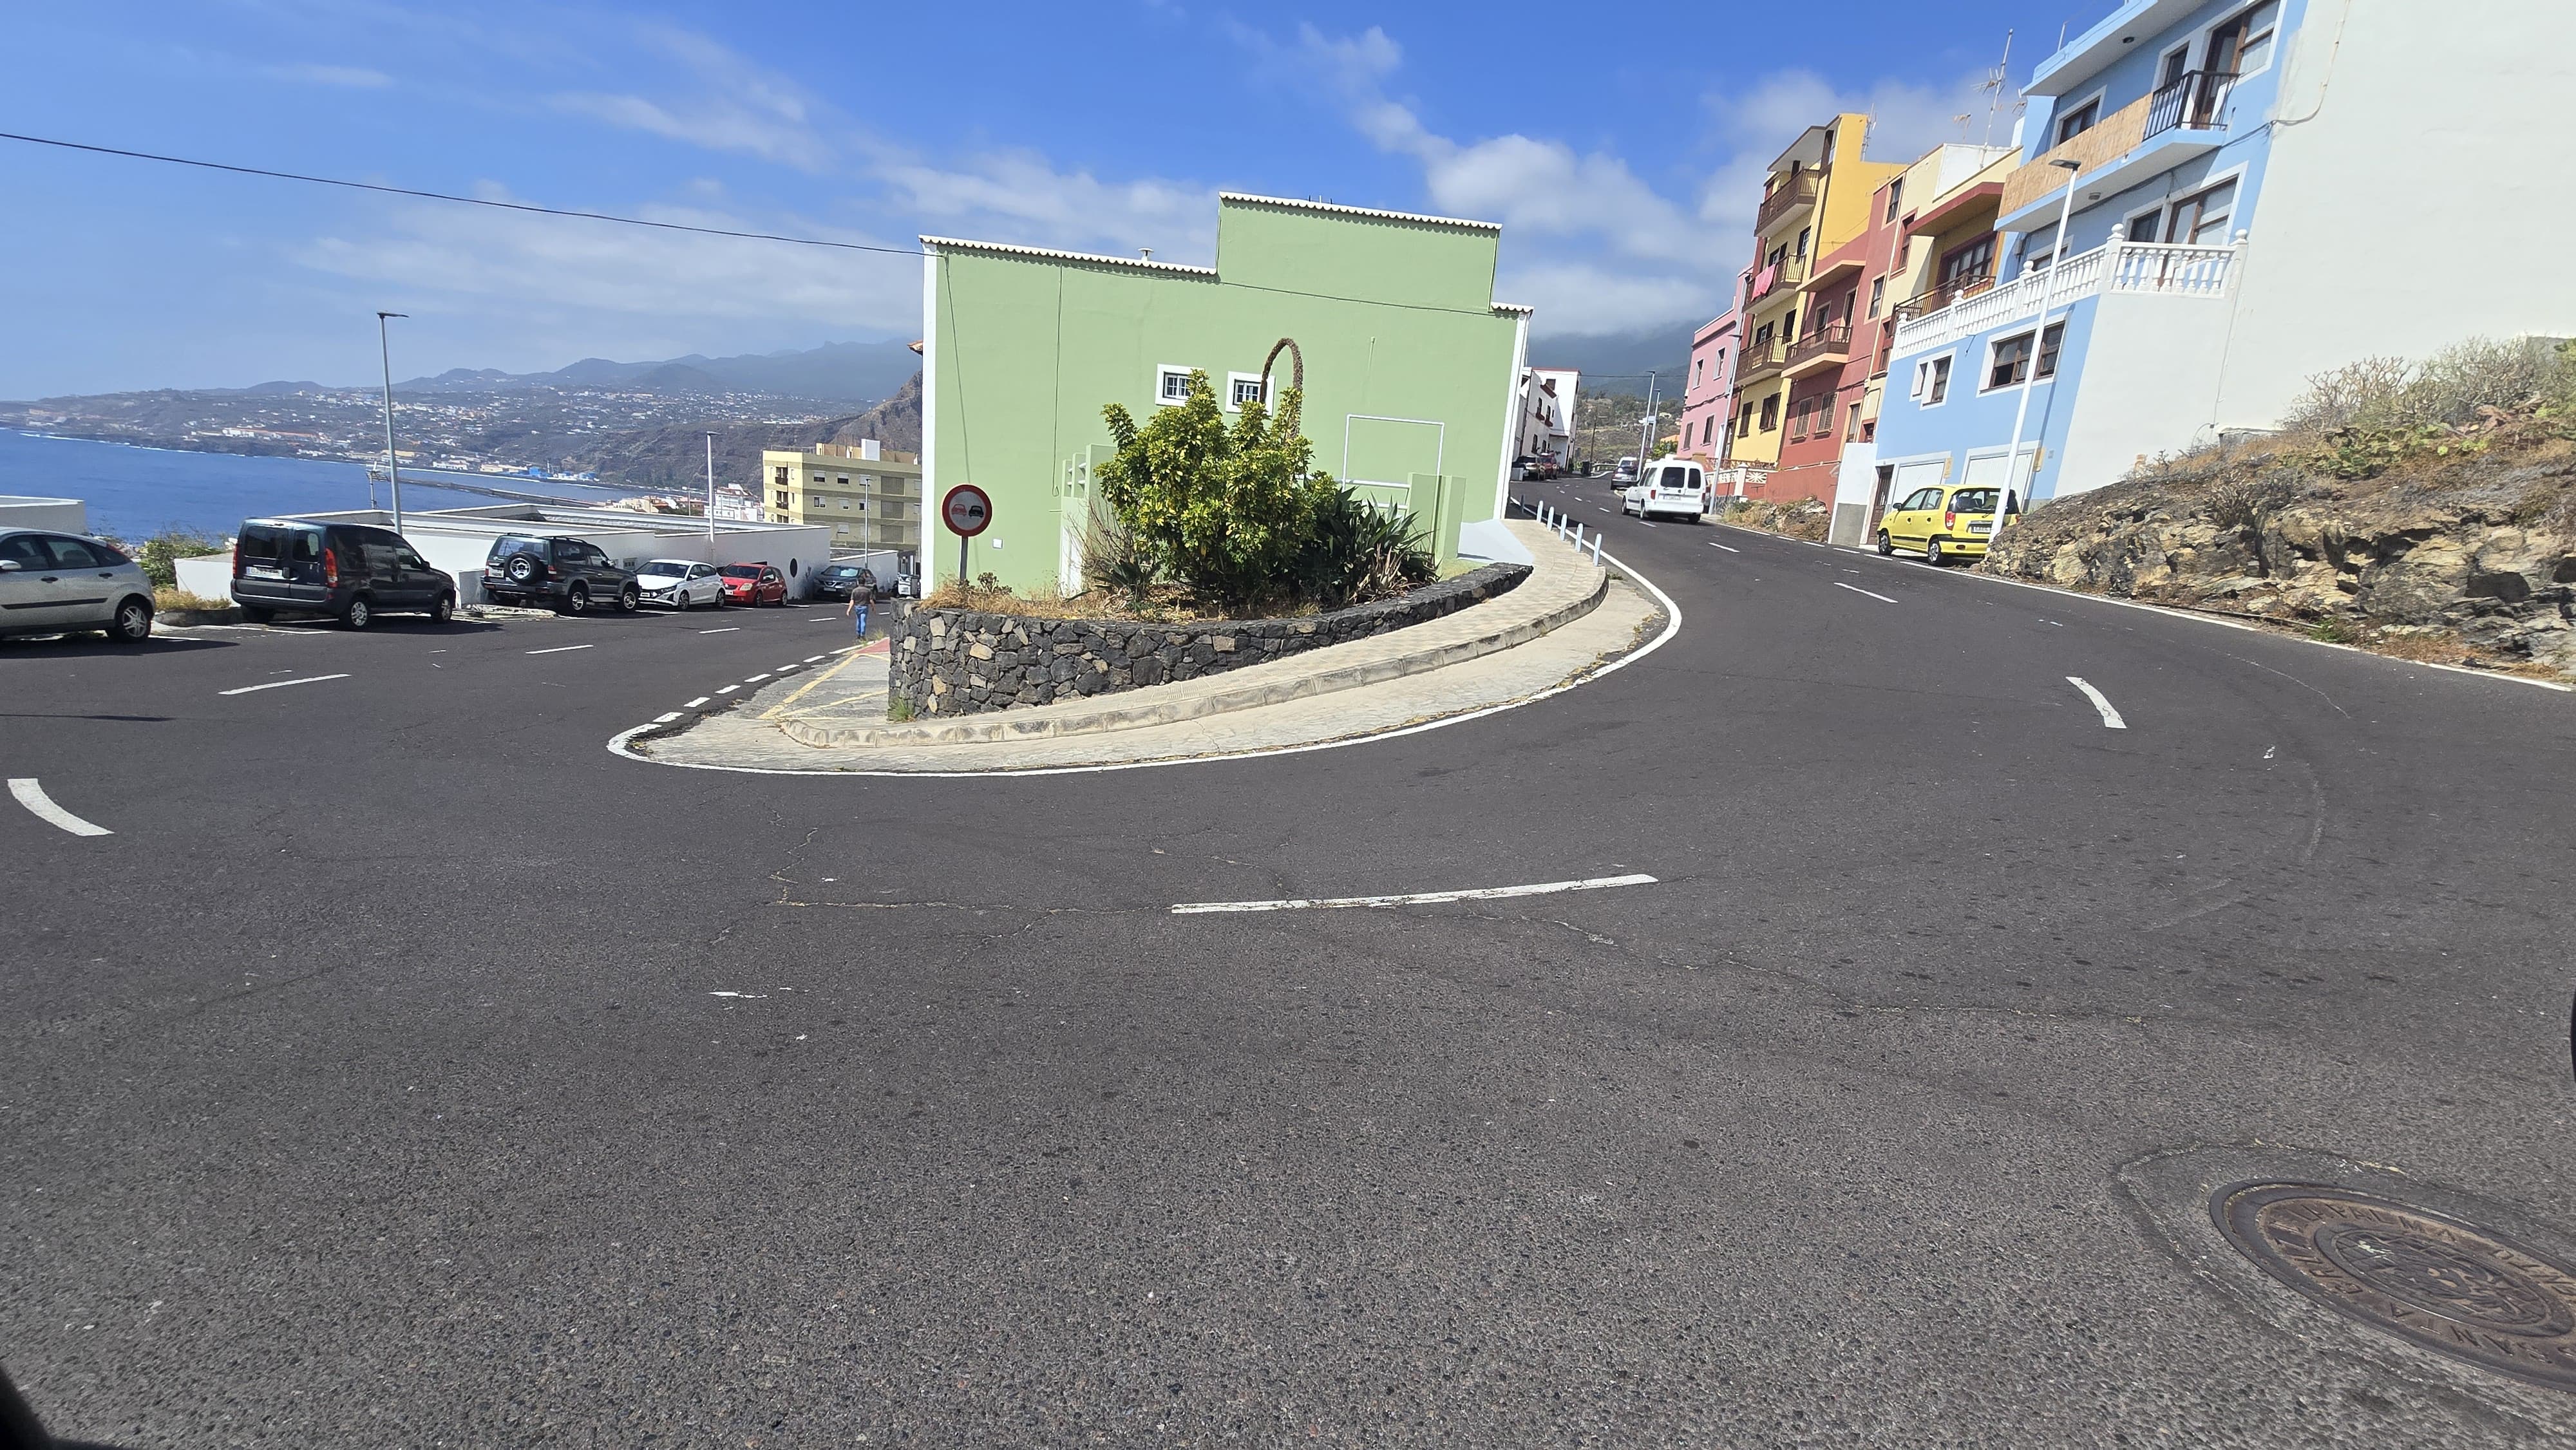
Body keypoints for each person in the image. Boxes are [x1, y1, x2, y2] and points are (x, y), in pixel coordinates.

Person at [845, 570, 874, 639]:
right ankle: (862, 635)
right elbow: (871, 600)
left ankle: (858, 634)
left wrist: (849, 610)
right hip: (865, 607)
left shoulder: (855, 591)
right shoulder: (868, 591)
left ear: (858, 582)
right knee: (863, 621)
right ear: (865, 582)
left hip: (857, 607)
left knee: (858, 620)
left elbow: (852, 601)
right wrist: (873, 607)